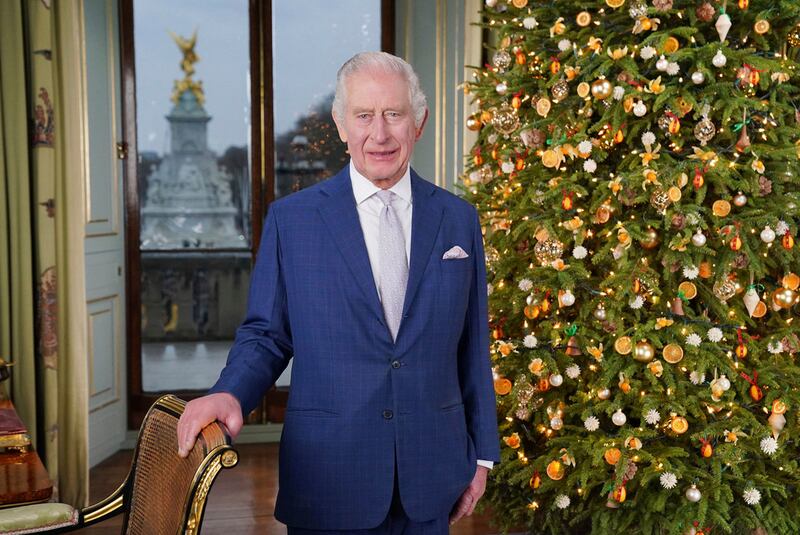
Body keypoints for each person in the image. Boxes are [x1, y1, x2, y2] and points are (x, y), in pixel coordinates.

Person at [177, 51, 500, 534]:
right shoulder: (294, 221)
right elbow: (267, 335)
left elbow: (472, 345)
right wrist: (231, 393)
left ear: (420, 121)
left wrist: (483, 454)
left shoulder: (458, 219)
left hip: (433, 472)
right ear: (341, 124)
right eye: (364, 116)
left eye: (394, 114)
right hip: (329, 474)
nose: (380, 133)